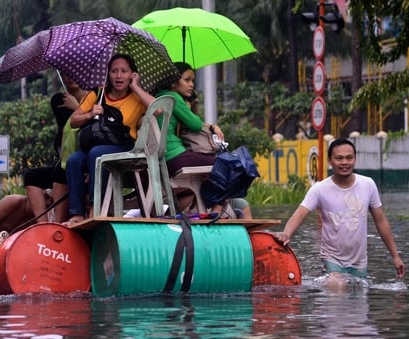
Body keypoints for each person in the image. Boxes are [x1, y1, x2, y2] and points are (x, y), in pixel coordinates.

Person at [275, 137, 406, 279]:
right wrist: (286, 234)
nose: (344, 162)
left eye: (349, 158)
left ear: (355, 159)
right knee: (336, 287)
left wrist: (395, 256)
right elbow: (299, 215)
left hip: (359, 262)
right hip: (332, 258)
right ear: (329, 161)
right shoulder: (320, 189)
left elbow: (381, 221)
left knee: (357, 296)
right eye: (339, 158)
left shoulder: (368, 185)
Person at [62, 54, 156, 226]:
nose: (119, 76)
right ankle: (77, 213)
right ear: (108, 74)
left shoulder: (137, 97)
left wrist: (136, 87)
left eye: (124, 71)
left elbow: (158, 110)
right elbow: (74, 121)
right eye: (114, 71)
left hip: (124, 145)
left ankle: (95, 208)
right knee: (74, 160)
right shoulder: (97, 93)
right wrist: (91, 113)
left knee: (96, 154)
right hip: (96, 142)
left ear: (132, 74)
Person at [156, 62, 249, 217]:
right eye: (187, 80)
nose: (191, 84)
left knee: (220, 165)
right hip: (175, 156)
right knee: (232, 165)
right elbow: (195, 124)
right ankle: (217, 209)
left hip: (163, 158)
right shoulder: (173, 97)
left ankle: (208, 208)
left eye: (192, 80)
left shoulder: (159, 95)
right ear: (173, 82)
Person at [23, 73, 87, 223]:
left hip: (84, 161)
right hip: (65, 161)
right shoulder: (61, 101)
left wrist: (78, 107)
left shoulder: (96, 98)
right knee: (32, 176)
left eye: (73, 72)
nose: (69, 76)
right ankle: (43, 224)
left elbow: (96, 124)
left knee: (62, 171)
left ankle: (58, 223)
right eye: (65, 73)